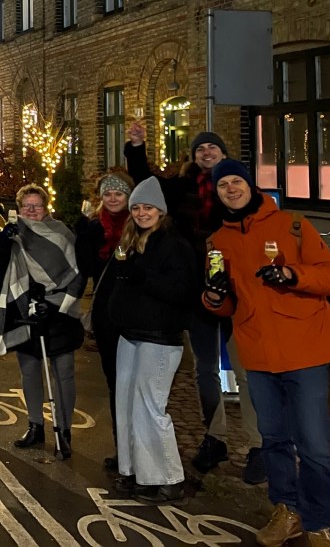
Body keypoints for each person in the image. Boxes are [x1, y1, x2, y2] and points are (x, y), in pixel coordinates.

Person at [203, 159, 330, 547]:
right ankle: (286, 510)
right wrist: (214, 298)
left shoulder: (292, 224)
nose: (231, 189)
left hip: (306, 349)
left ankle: (317, 521)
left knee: (313, 443)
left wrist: (292, 276)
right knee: (274, 439)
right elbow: (228, 305)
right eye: (223, 185)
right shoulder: (218, 241)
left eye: (237, 181)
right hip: (259, 353)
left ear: (251, 185)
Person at [126, 125, 263, 480]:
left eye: (211, 148)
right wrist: (137, 146)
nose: (206, 153)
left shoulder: (236, 189)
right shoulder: (182, 187)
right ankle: (214, 437)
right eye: (200, 149)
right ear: (193, 156)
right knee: (205, 368)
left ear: (223, 152)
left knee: (246, 370)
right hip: (199, 291)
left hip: (238, 291)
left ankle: (257, 445)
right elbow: (146, 181)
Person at [108, 176, 199, 504]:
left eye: (148, 207)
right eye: (137, 207)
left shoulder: (174, 244)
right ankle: (137, 473)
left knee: (151, 407)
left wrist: (142, 277)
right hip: (131, 333)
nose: (142, 213)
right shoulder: (133, 239)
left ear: (160, 211)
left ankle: (170, 478)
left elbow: (184, 292)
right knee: (128, 406)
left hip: (159, 337)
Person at [0, 184, 84, 458]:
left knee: (63, 371)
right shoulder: (14, 235)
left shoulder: (62, 233)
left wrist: (60, 303)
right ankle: (35, 425)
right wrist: (2, 242)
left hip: (58, 310)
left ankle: (64, 428)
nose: (32, 211)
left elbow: (76, 272)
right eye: (26, 206)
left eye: (37, 206)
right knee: (30, 370)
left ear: (46, 208)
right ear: (19, 209)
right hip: (26, 308)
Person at [74, 171, 133, 470]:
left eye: (119, 193)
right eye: (108, 194)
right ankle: (122, 447)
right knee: (114, 382)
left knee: (135, 383)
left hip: (134, 315)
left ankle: (139, 450)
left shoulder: (138, 226)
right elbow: (83, 266)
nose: (112, 198)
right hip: (106, 314)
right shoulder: (95, 228)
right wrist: (82, 231)